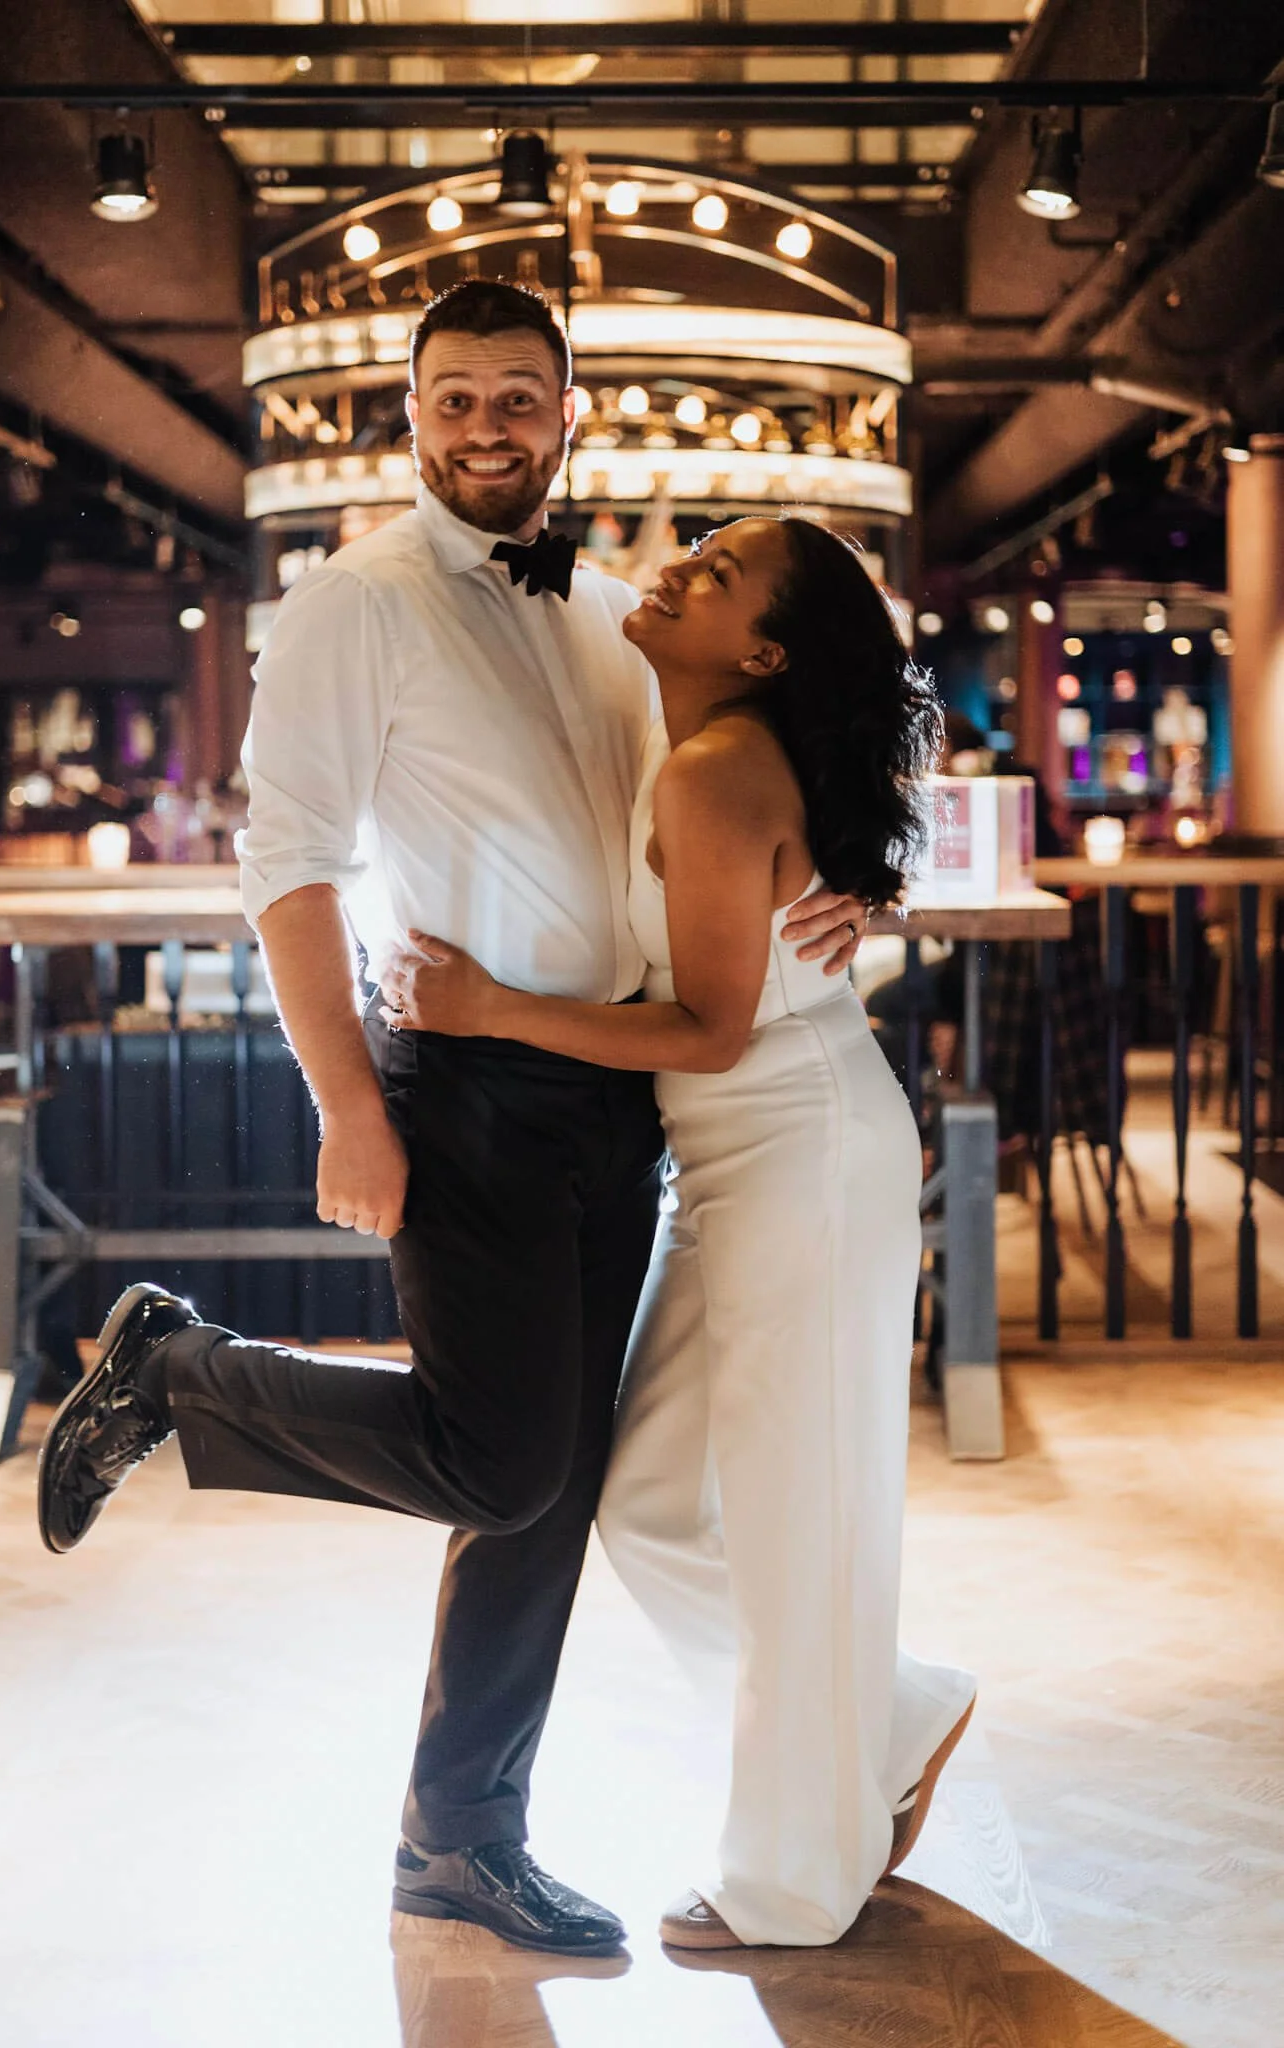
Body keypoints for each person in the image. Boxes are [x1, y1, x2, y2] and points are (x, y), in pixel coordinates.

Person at [34, 279, 866, 1959]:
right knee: (503, 1461)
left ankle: (461, 1841)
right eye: (457, 396)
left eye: (519, 396)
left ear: (569, 414)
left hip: (620, 1090)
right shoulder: (354, 603)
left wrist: (850, 877)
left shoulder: (617, 614)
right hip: (469, 1086)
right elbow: (289, 869)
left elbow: (790, 728)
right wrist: (348, 1101)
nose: (489, 424)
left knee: (545, 1494)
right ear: (409, 416)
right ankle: (175, 1369)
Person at [380, 514, 977, 1949]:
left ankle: (793, 1879)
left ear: (762, 653)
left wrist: (490, 1008)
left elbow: (712, 1028)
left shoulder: (714, 769)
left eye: (717, 575)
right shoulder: (700, 739)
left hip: (797, 1159)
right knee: (647, 1497)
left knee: (787, 1523)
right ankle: (888, 1714)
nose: (680, 565)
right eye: (700, 547)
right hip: (741, 1169)